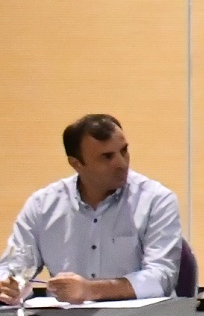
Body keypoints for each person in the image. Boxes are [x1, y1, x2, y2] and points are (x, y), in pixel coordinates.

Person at [0, 114, 181, 304]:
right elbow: (13, 266)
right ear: (76, 164)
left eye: (124, 151)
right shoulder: (42, 206)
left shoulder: (156, 200)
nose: (121, 163)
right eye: (107, 157)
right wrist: (9, 285)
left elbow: (162, 278)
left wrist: (90, 290)